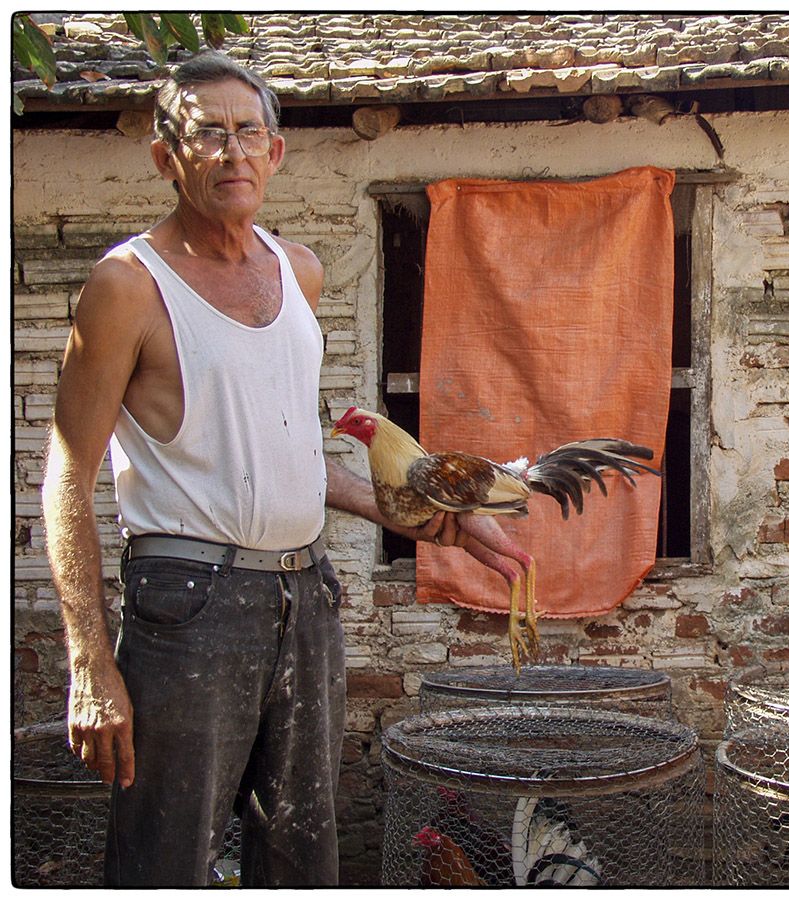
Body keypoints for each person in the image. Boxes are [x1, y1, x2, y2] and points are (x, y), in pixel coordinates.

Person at [40, 51, 475, 886]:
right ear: (166, 157)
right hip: (187, 601)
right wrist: (90, 663)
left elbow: (286, 452)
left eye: (248, 132)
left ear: (275, 153)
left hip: (305, 596)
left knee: (300, 852)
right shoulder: (127, 286)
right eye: (207, 133)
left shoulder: (298, 272)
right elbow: (67, 474)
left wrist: (398, 511)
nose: (231, 151)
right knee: (166, 858)